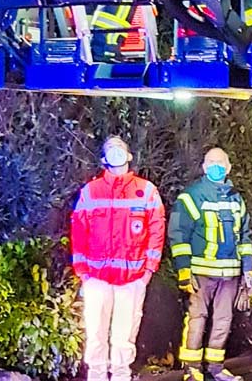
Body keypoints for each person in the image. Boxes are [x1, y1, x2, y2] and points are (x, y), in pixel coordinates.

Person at [71, 136, 166, 381]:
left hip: (132, 278)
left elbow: (157, 228)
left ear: (129, 155)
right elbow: (78, 229)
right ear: (103, 159)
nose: (116, 153)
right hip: (97, 278)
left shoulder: (145, 190)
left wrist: (148, 270)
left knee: (124, 339)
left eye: (120, 149)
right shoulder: (91, 191)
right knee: (96, 336)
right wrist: (82, 270)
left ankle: (121, 376)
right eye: (111, 150)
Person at [169, 148, 252, 381]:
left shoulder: (236, 198)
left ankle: (216, 367)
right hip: (201, 273)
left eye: (220, 163)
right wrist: (184, 271)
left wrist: (248, 269)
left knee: (223, 321)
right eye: (211, 162)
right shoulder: (191, 196)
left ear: (228, 168)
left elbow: (244, 236)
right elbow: (178, 236)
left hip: (230, 274)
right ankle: (191, 368)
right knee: (197, 319)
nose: (216, 166)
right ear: (204, 167)